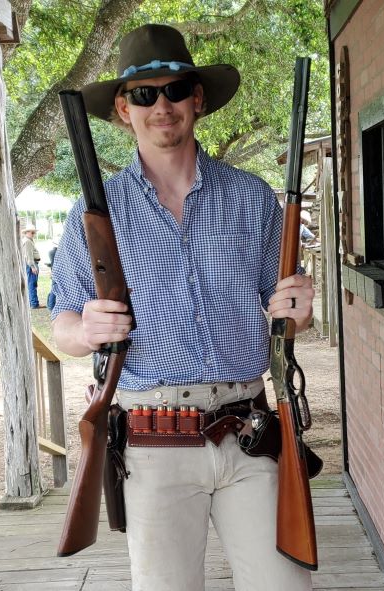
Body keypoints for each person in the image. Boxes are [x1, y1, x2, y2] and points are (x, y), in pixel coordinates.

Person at [51, 24, 315, 591]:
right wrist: (86, 328)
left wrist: (300, 308)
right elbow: (63, 325)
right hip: (153, 444)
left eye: (174, 90)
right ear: (124, 109)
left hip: (249, 434)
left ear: (197, 99)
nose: (161, 106)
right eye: (144, 94)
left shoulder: (250, 197)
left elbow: (288, 313)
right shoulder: (95, 212)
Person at [21, 223, 42, 308]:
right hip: (31, 265)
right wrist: (32, 266)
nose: (33, 234)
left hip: (32, 264)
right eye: (32, 232)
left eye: (34, 232)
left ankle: (32, 303)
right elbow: (28, 256)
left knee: (32, 283)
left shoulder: (28, 240)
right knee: (32, 284)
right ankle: (34, 303)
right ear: (26, 232)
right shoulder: (27, 242)